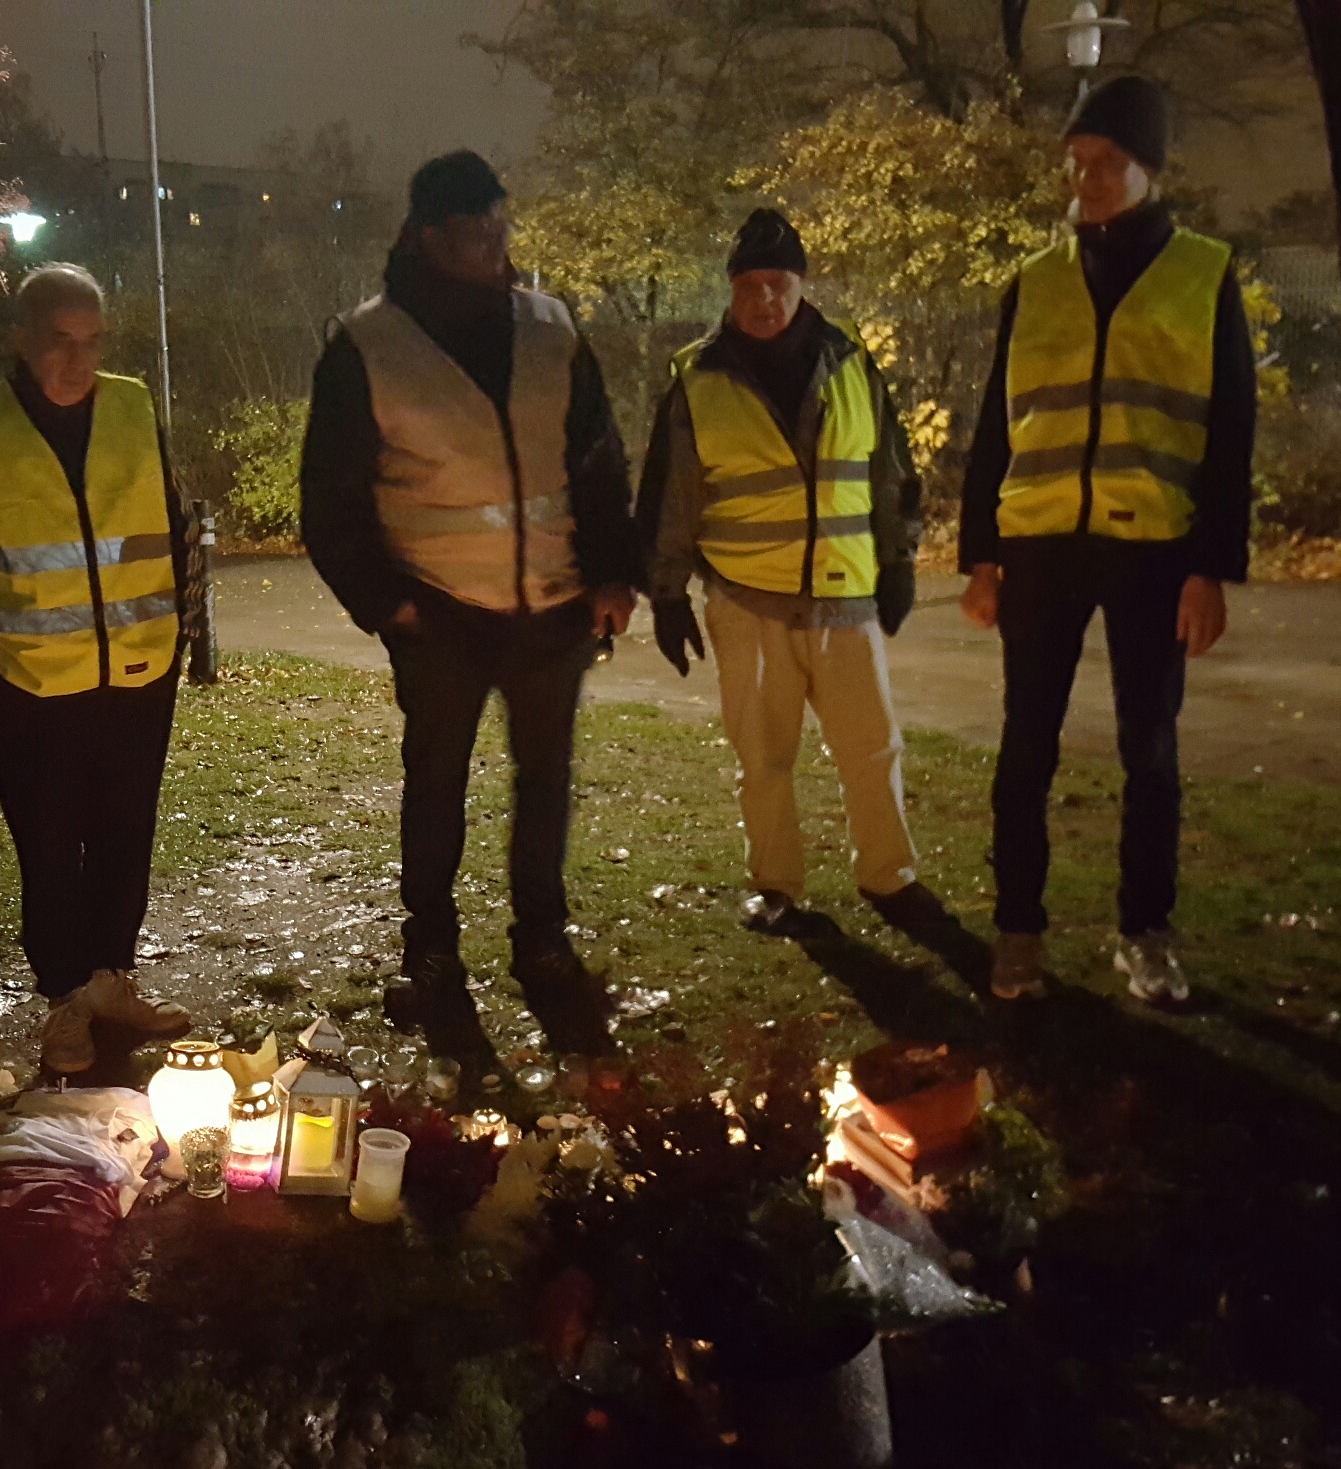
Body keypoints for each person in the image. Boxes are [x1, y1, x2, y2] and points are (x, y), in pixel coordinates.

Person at [299, 150, 643, 1073]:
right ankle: (433, 949)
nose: (494, 246)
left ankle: (542, 940)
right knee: (436, 786)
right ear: (425, 237)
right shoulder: (368, 346)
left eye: (499, 227)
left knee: (546, 783)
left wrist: (613, 573)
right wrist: (389, 606)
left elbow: (598, 459)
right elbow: (329, 499)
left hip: (551, 608)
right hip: (441, 614)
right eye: (473, 232)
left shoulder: (551, 329)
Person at [956, 76, 1256, 1005]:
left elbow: (1232, 431)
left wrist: (1211, 568)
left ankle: (1145, 933)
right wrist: (979, 554)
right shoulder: (1035, 280)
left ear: (1149, 169)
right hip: (1041, 542)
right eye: (1078, 160)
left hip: (1153, 547)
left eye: (1109, 161)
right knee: (1025, 747)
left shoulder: (1203, 274)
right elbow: (996, 422)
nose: (1087, 178)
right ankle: (1018, 929)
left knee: (1150, 753)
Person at [0, 264, 198, 1079]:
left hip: (138, 671)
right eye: (59, 341)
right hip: (31, 684)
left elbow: (175, 524)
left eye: (92, 341)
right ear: (21, 338)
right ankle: (63, 1001)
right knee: (48, 846)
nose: (78, 361)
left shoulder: (132, 407)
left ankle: (111, 979)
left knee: (125, 832)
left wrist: (182, 637)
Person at [636, 208, 926, 934]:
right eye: (749, 285)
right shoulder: (698, 377)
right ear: (730, 290)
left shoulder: (852, 360)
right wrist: (667, 596)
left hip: (845, 598)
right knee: (763, 758)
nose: (764, 298)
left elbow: (889, 471)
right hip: (748, 602)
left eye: (778, 283)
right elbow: (672, 497)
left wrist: (898, 559)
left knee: (873, 750)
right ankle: (774, 884)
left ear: (801, 284)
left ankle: (889, 877)